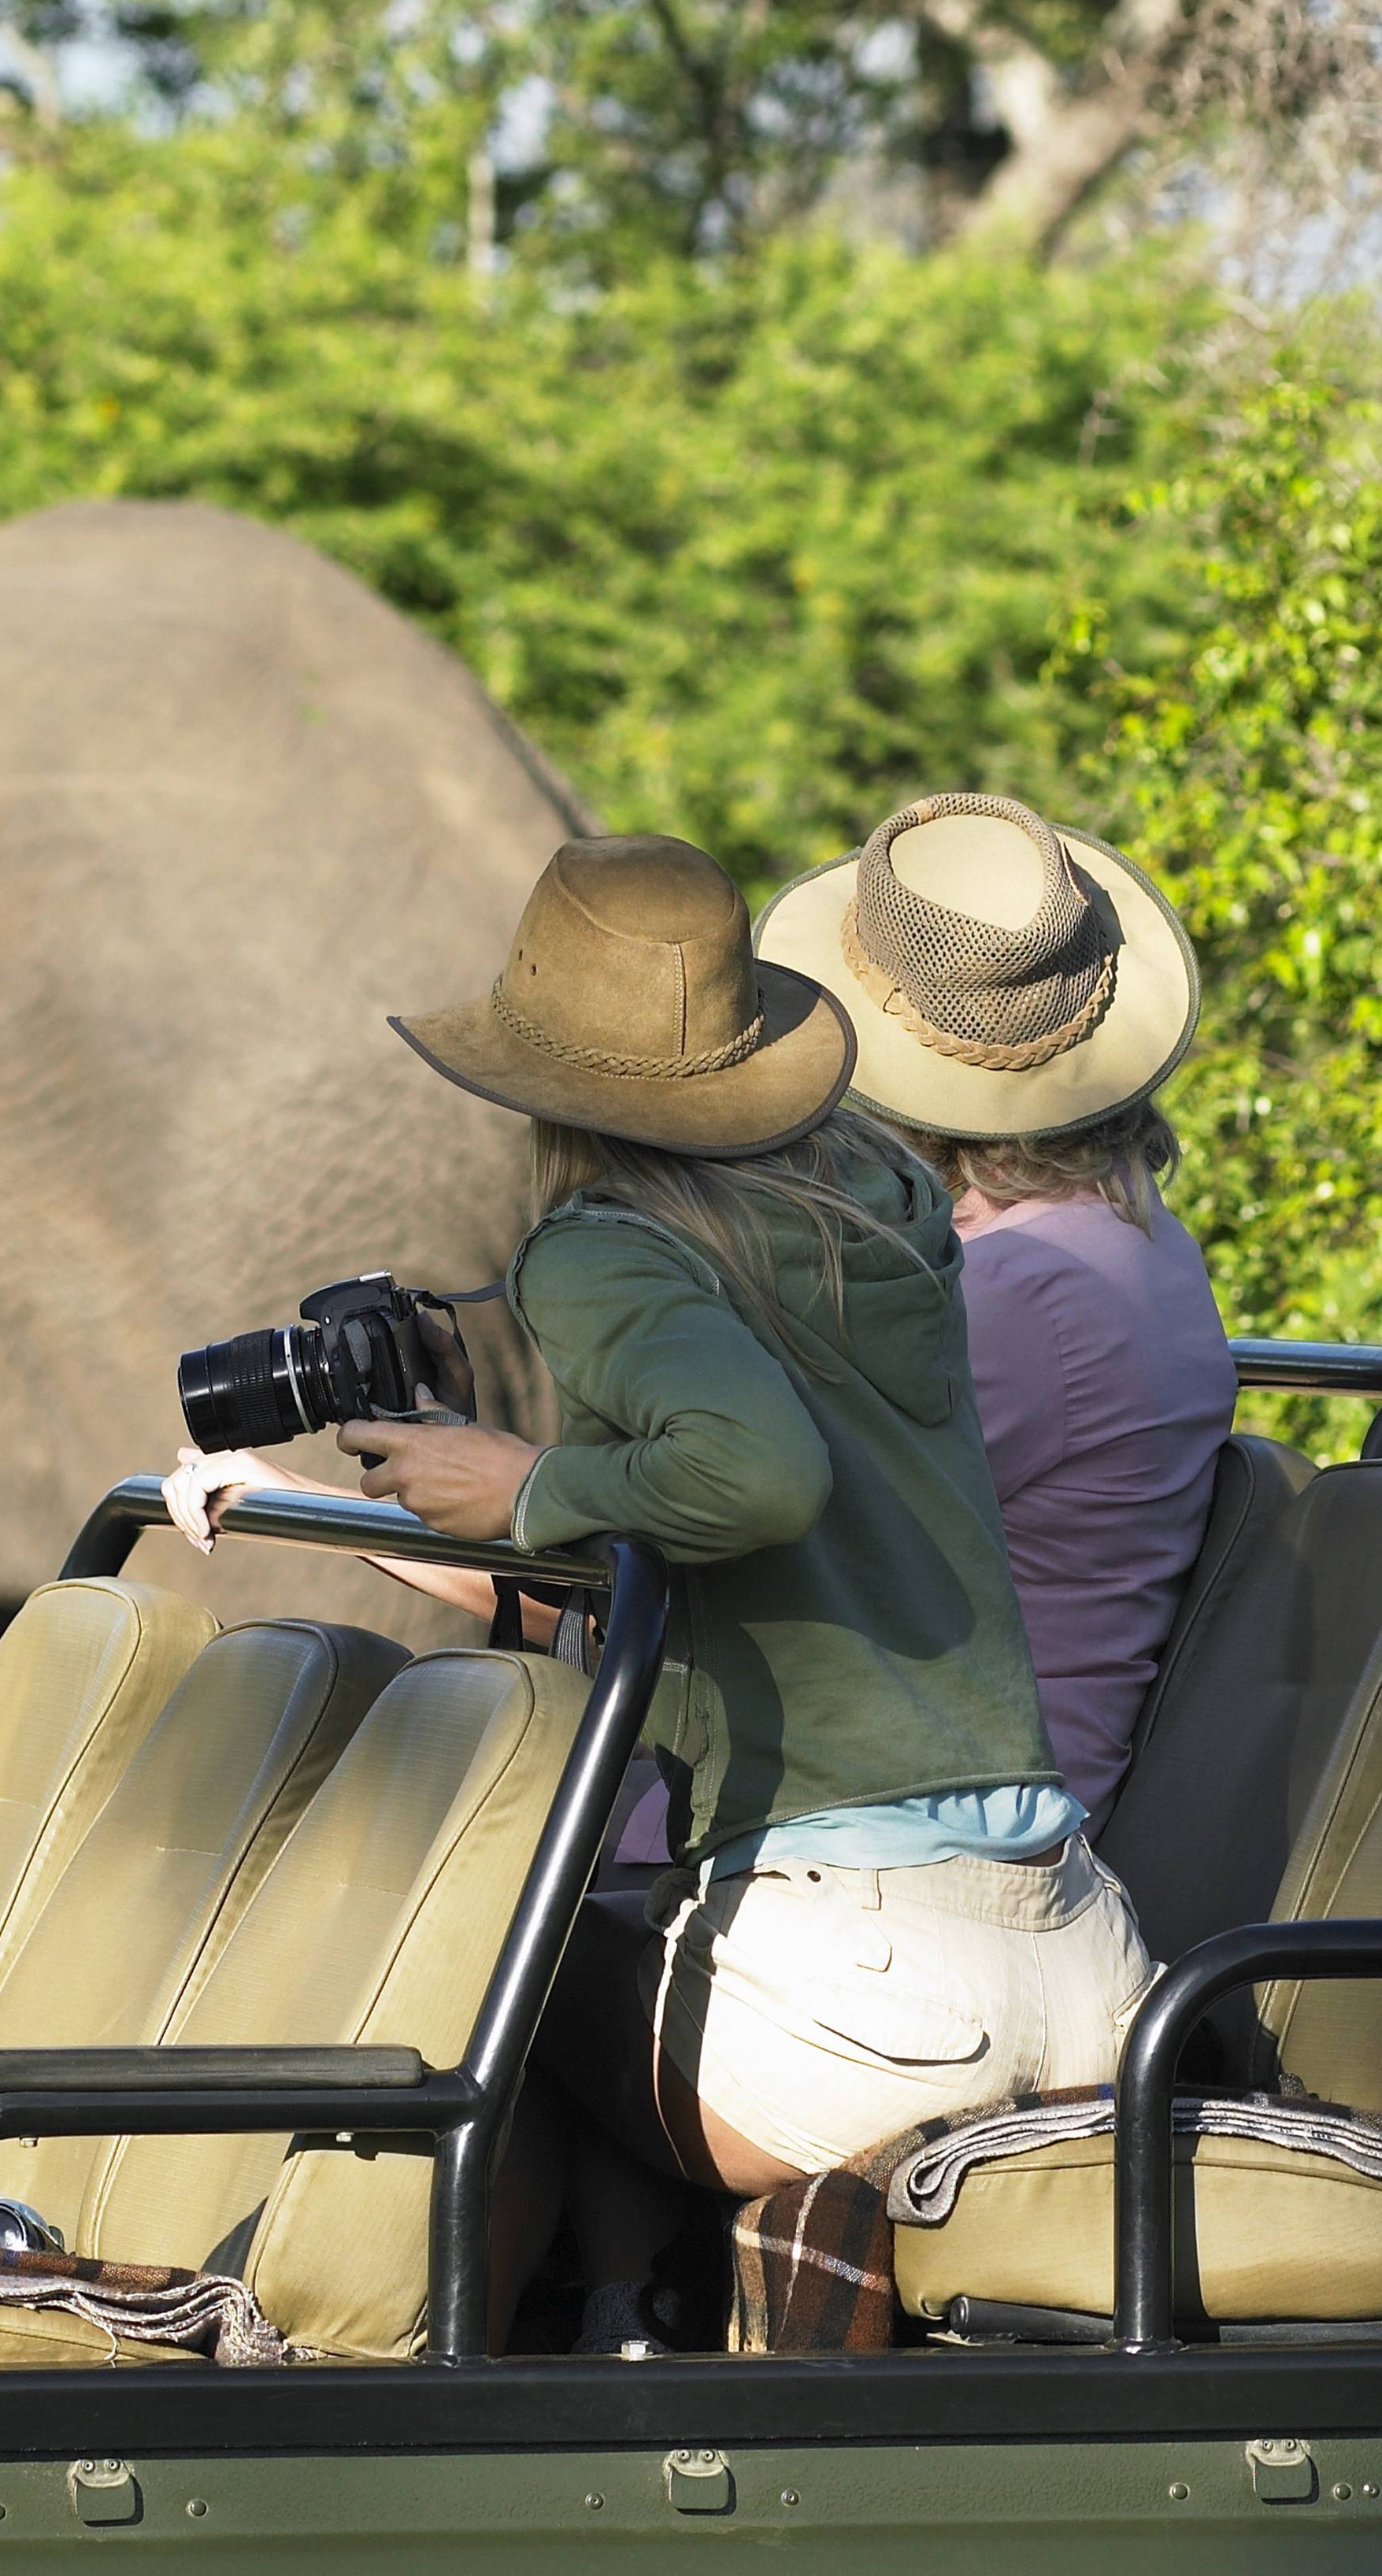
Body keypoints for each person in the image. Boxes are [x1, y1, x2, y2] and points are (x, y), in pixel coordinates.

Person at [325, 833, 1155, 2348]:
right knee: (592, 1948)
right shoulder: (881, 1208)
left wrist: (524, 1491)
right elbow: (785, 1439)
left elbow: (760, 1474)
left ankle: (454, 2398)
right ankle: (648, 2320)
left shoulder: (603, 1245)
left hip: (860, 2013)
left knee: (476, 1970)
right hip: (1080, 1962)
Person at [756, 791, 1232, 1813]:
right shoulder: (1116, 1232)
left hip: (919, 1814)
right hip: (933, 1775)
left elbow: (761, 1552)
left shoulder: (1020, 1292)